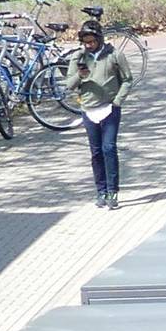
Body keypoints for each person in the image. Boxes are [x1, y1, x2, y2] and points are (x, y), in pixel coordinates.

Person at [63, 22, 133, 209]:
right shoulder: (78, 57)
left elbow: (127, 79)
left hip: (110, 108)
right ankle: (100, 190)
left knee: (109, 148)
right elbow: (69, 84)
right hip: (89, 109)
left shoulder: (114, 55)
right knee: (96, 152)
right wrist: (80, 75)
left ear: (100, 39)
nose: (89, 45)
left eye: (92, 41)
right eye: (86, 42)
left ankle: (112, 191)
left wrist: (117, 101)